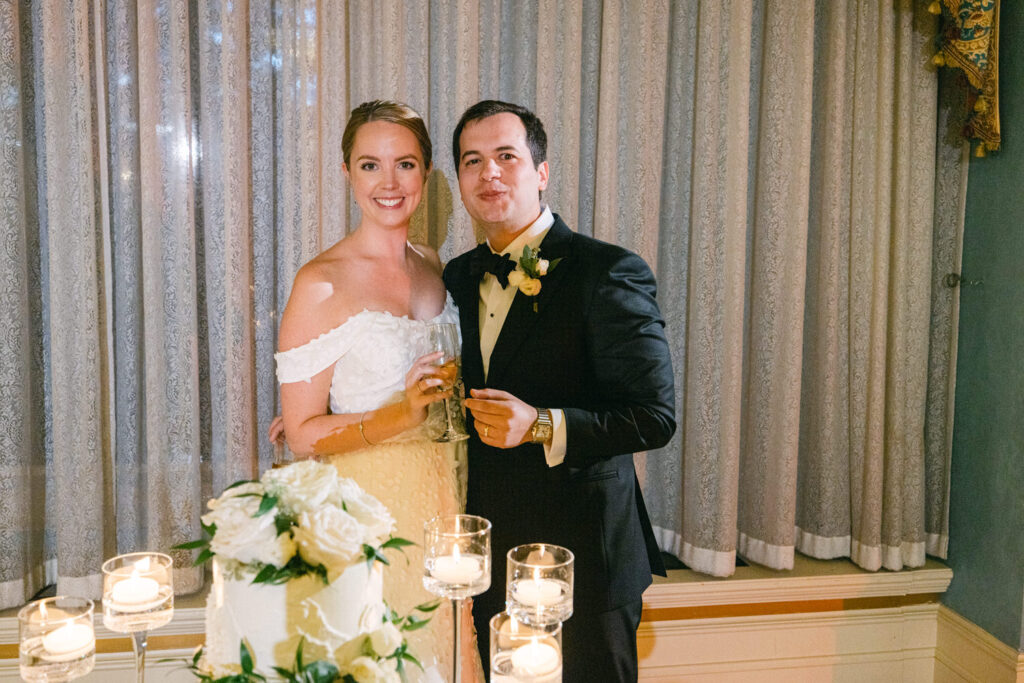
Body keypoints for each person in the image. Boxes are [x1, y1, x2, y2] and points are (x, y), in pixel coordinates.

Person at [442, 100, 675, 682]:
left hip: (585, 560)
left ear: (541, 172)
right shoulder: (456, 277)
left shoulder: (608, 271)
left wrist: (542, 423)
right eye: (472, 161)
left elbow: (654, 416)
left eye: (506, 156)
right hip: (491, 553)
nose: (489, 173)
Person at [273, 100, 480, 682]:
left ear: (427, 173)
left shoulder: (434, 264)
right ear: (347, 172)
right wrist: (399, 413)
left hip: (445, 498)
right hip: (366, 513)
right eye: (370, 165)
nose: (388, 183)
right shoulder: (320, 282)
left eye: (405, 165)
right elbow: (303, 437)